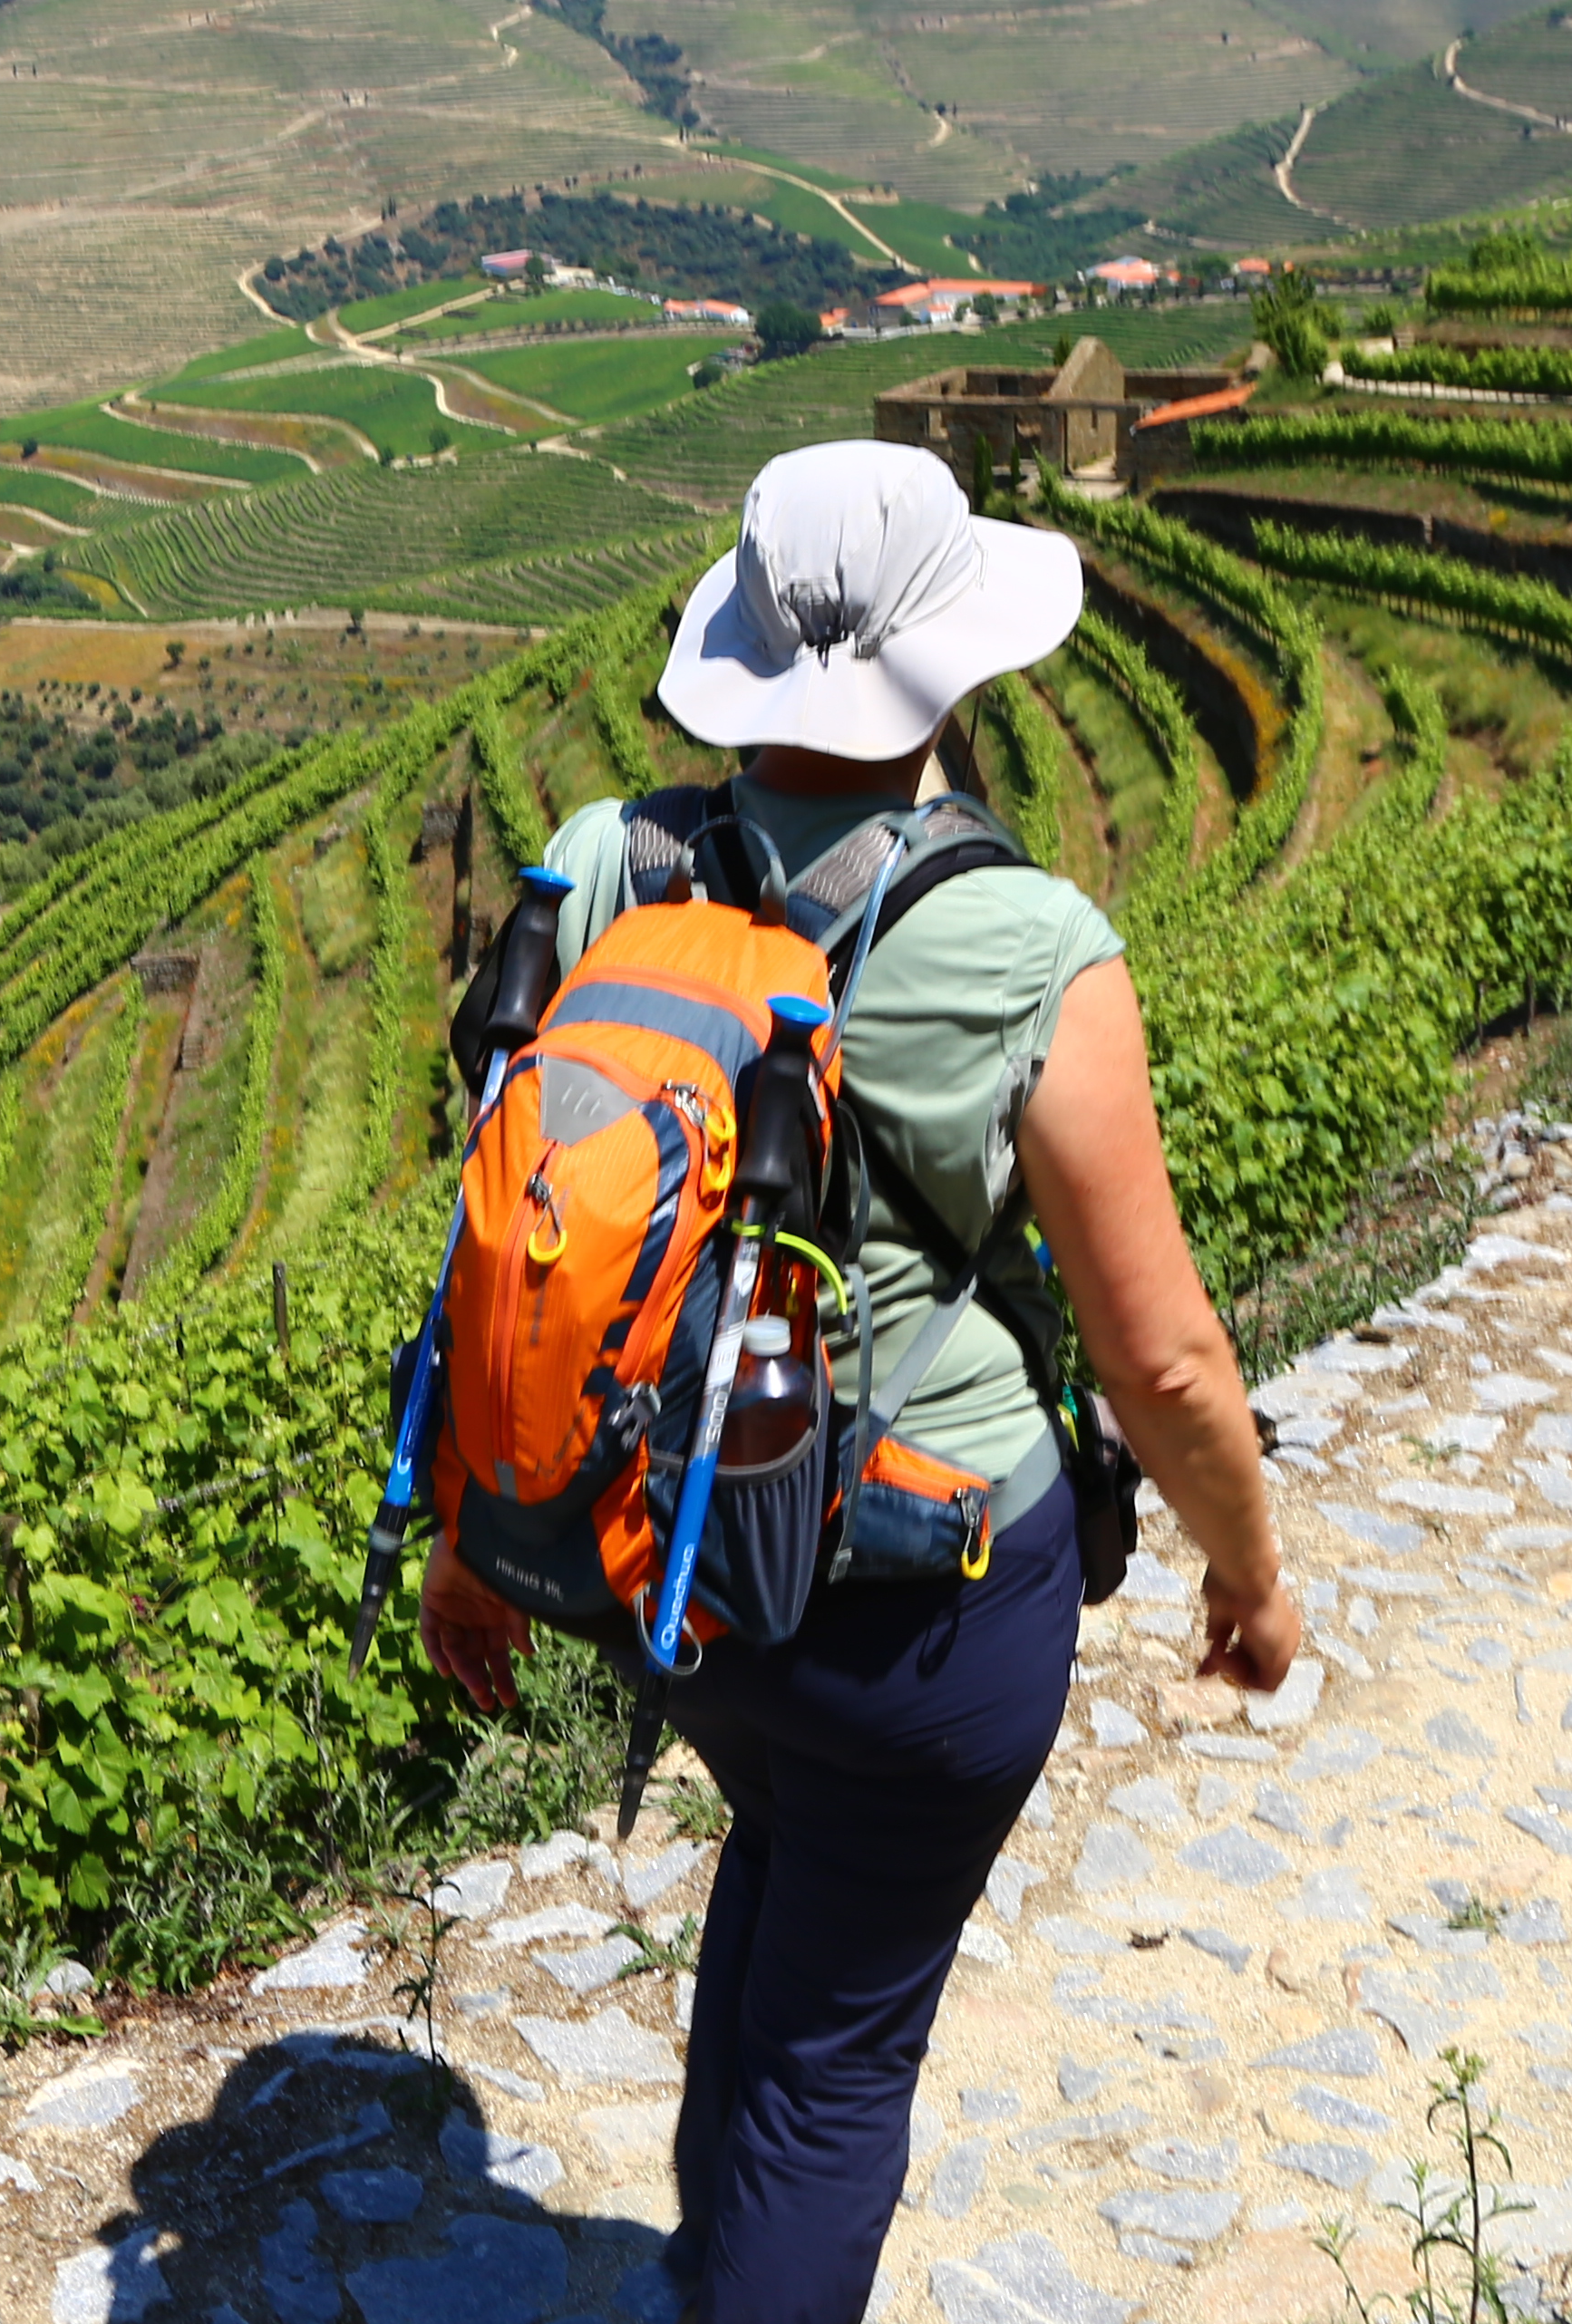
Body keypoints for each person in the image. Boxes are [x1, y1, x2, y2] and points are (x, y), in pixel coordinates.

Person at [418, 438, 1301, 2324]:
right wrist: (1250, 1570)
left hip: (678, 1573)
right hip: (925, 1602)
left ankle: (722, 2268)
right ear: (950, 663)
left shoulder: (601, 867)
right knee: (838, 2074)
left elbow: (518, 1239)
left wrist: (475, 1533)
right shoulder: (1020, 943)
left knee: (792, 1911)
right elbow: (1162, 1355)